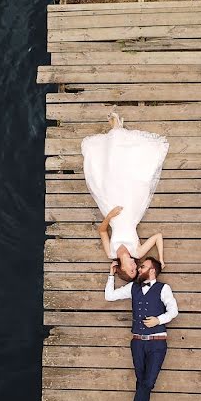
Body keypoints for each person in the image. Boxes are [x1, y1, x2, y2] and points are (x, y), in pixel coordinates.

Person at [82, 111, 169, 282]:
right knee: (135, 175)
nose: (135, 267)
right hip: (131, 209)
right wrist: (162, 258)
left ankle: (116, 131)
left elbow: (101, 230)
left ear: (122, 269)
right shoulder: (137, 252)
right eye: (136, 269)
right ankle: (118, 129)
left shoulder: (111, 252)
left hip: (112, 211)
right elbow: (158, 236)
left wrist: (110, 216)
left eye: (132, 271)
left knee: (108, 175)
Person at [104, 256, 178, 401]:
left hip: (157, 343)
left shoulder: (164, 288)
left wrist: (158, 320)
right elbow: (109, 296)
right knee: (141, 382)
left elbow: (173, 311)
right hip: (137, 342)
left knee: (148, 382)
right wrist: (111, 275)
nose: (138, 269)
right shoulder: (133, 288)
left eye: (142, 266)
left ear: (152, 270)